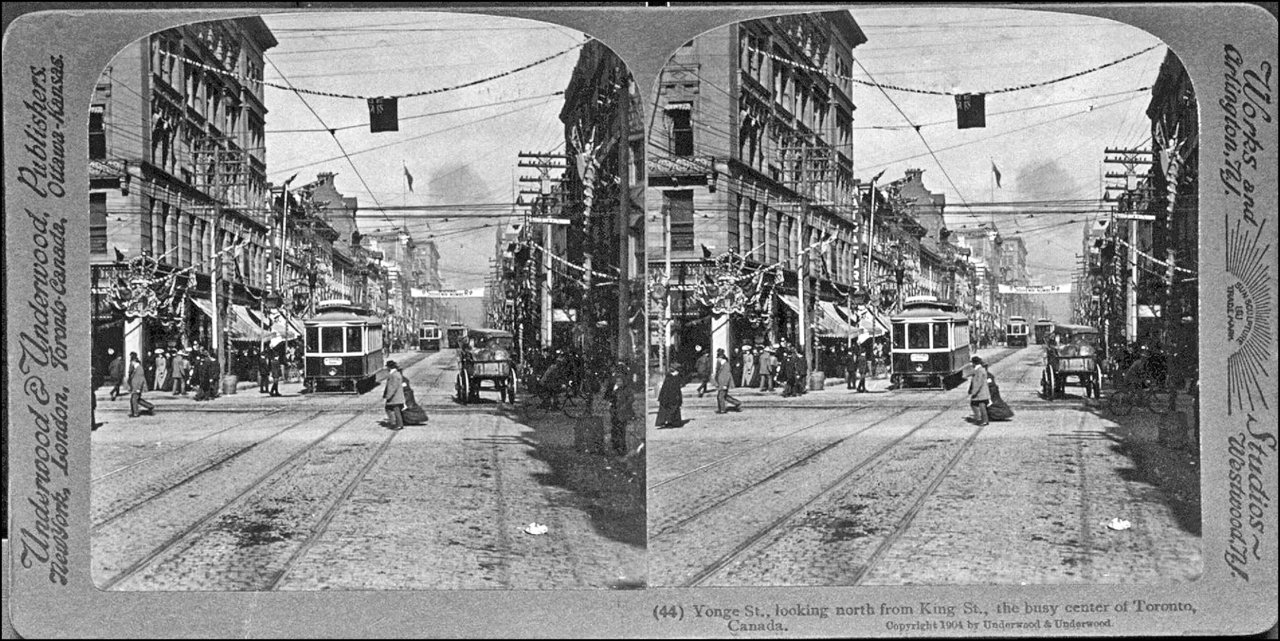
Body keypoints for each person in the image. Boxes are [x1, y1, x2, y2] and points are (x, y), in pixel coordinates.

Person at [713, 349, 741, 414]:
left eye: (718, 358)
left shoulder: (725, 365)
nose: (718, 360)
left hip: (723, 383)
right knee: (724, 396)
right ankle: (737, 403)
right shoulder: (722, 365)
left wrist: (725, 384)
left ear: (721, 358)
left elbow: (727, 375)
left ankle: (722, 410)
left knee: (720, 396)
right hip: (721, 383)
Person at [127, 352, 155, 417]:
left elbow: (140, 379)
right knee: (137, 399)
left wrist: (138, 388)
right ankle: (150, 406)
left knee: (134, 399)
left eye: (132, 362)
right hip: (135, 386)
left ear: (134, 361)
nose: (131, 363)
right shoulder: (136, 368)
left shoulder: (139, 368)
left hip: (137, 387)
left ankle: (135, 413)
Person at [967, 355, 990, 426]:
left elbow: (978, 382)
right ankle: (984, 420)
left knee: (974, 404)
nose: (971, 365)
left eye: (972, 363)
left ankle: (980, 418)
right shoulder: (980, 369)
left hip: (980, 392)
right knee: (981, 405)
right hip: (983, 392)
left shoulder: (979, 371)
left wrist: (973, 392)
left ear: (974, 363)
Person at [383, 360, 405, 430]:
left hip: (395, 397)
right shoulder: (396, 374)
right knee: (395, 410)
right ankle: (397, 423)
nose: (386, 369)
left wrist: (388, 396)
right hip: (397, 396)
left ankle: (397, 424)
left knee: (392, 409)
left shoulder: (394, 375)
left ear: (389, 367)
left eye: (387, 367)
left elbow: (393, 387)